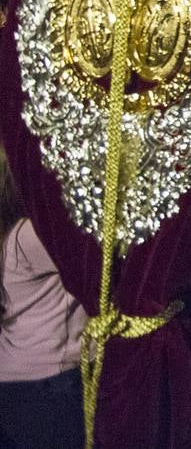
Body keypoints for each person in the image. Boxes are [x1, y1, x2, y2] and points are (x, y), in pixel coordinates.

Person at [0, 147, 86, 449]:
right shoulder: (29, 236)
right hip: (50, 382)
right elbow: (97, 256)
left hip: (12, 379)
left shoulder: (8, 235)